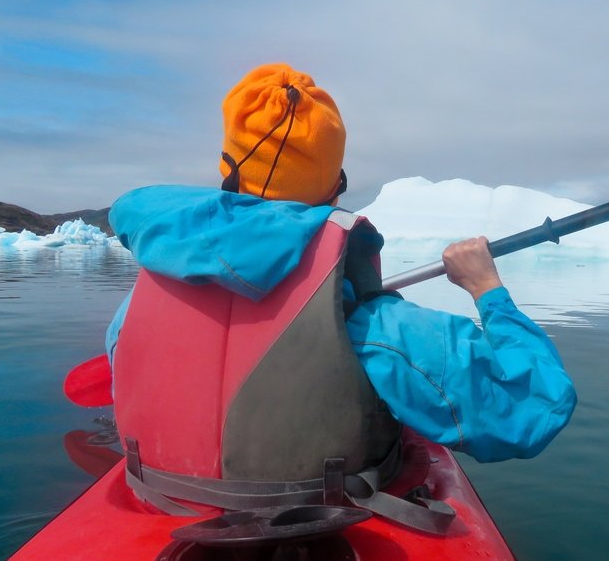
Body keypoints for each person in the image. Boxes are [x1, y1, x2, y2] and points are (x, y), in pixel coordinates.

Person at [104, 64, 576, 525]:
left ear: (227, 168)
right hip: (316, 522)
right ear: (334, 185)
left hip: (162, 501)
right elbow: (533, 405)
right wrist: (487, 289)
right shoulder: (370, 327)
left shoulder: (140, 302)